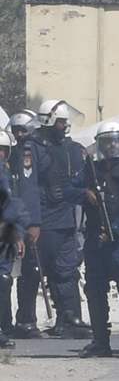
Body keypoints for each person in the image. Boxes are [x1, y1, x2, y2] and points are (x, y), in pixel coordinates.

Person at [67, 122, 119, 358]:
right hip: (95, 238)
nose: (112, 145)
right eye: (108, 141)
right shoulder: (91, 169)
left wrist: (116, 228)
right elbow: (66, 191)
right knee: (94, 288)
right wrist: (85, 193)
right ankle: (100, 341)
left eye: (117, 141)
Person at [33, 101, 90, 339]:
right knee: (49, 271)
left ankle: (71, 317)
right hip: (45, 220)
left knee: (67, 270)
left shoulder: (71, 148)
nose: (64, 126)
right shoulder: (34, 148)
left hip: (67, 217)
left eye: (66, 122)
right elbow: (28, 186)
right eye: (60, 121)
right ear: (48, 121)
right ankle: (57, 317)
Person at [3, 111, 45, 341]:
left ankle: (26, 319)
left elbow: (29, 192)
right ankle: (7, 323)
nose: (19, 135)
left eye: (22, 130)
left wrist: (33, 223)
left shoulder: (28, 151)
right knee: (6, 276)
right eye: (15, 131)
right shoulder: (15, 153)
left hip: (21, 221)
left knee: (29, 273)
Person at [0, 131, 28, 349]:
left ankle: (3, 327)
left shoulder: (9, 176)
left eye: (4, 150)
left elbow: (15, 206)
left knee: (4, 279)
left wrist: (18, 233)